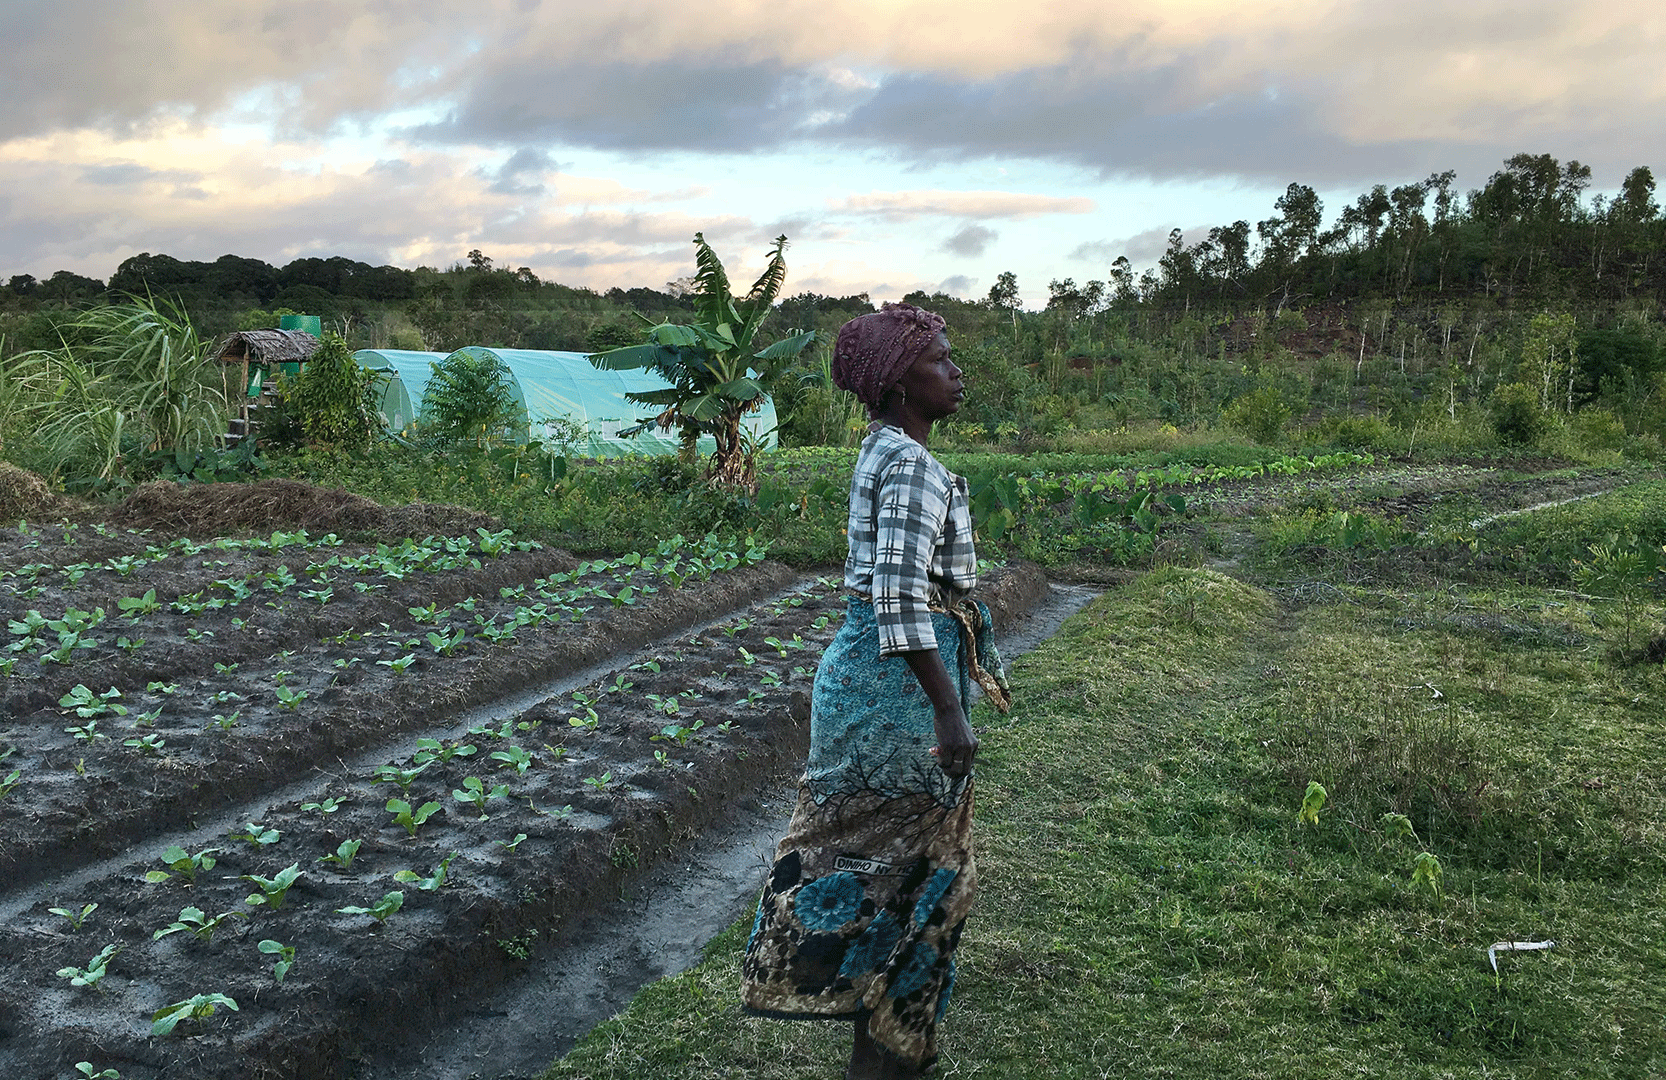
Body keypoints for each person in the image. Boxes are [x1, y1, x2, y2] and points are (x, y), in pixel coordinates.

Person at [741, 303, 1010, 1079]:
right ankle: (887, 1053)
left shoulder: (882, 451)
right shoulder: (912, 466)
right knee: (915, 879)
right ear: (899, 383)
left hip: (871, 681)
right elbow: (897, 596)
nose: (957, 373)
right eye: (942, 361)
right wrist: (949, 707)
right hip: (896, 696)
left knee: (885, 871)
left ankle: (887, 1046)